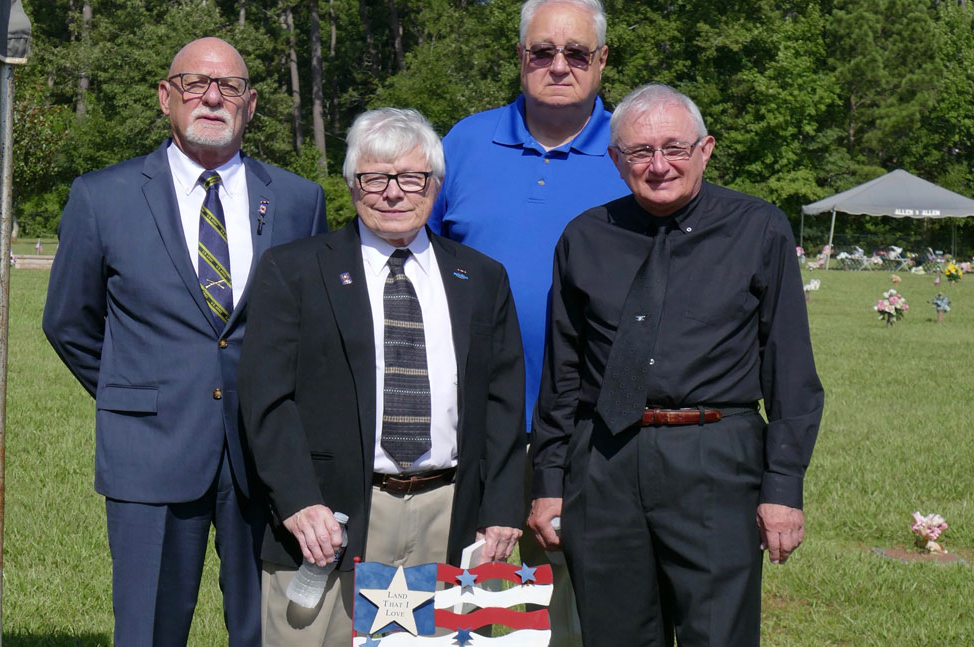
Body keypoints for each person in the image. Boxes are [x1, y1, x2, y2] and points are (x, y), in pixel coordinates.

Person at [42, 37, 326, 646]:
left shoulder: (301, 201)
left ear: (249, 106)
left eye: (228, 87)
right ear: (166, 98)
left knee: (269, 631)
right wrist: (138, 387)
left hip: (265, 456)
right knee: (148, 630)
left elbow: (315, 329)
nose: (212, 97)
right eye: (196, 84)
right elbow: (69, 320)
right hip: (151, 448)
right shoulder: (102, 197)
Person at [528, 83, 824, 647]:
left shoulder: (758, 228)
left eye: (674, 148)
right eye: (640, 152)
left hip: (715, 456)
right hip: (605, 460)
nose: (658, 166)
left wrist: (782, 488)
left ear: (706, 149)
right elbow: (562, 373)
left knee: (718, 634)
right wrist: (548, 482)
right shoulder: (585, 236)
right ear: (616, 161)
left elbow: (790, 371)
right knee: (614, 634)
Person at [238, 107, 527, 647]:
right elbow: (265, 401)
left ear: (435, 186)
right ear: (352, 185)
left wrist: (503, 507)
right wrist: (300, 501)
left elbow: (505, 404)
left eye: (411, 177)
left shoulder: (481, 277)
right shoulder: (294, 270)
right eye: (376, 177)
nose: (394, 192)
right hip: (330, 518)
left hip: (448, 512)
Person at [429, 2, 627, 643]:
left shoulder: (634, 153)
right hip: (468, 420)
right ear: (521, 58)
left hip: (589, 425)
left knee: (576, 598)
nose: (559, 65)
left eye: (576, 53)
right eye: (543, 51)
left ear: (601, 62)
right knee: (462, 596)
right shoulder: (462, 143)